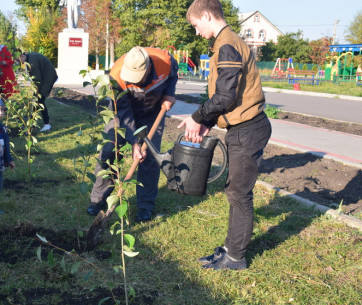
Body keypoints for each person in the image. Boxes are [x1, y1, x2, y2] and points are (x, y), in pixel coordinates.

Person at [179, 0, 272, 270]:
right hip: (243, 128)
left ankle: (235, 258)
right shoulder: (226, 42)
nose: (196, 32)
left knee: (239, 194)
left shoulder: (227, 43)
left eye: (196, 25)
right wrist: (208, 123)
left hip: (248, 129)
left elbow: (224, 96)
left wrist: (198, 118)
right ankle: (231, 248)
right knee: (234, 191)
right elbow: (228, 98)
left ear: (207, 15)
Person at [85, 46, 178, 222]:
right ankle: (98, 200)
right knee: (108, 151)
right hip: (122, 113)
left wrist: (169, 94)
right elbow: (122, 111)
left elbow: (173, 74)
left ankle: (145, 206)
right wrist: (135, 142)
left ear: (148, 68)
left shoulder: (164, 61)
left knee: (150, 157)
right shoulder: (117, 74)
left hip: (152, 113)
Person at [17, 52, 58, 132]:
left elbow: (37, 79)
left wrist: (36, 92)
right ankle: (31, 124)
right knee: (37, 101)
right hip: (45, 77)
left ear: (22, 56)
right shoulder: (29, 57)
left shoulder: (31, 62)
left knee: (40, 100)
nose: (18, 62)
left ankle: (47, 125)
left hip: (48, 78)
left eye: (17, 60)